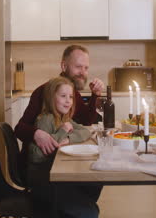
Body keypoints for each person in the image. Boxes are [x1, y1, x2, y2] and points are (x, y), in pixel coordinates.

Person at [15, 45, 103, 171]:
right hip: (39, 166)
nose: (83, 72)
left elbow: (86, 122)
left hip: (55, 157)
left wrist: (95, 95)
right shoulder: (43, 92)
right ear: (64, 66)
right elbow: (19, 129)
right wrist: (36, 133)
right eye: (78, 67)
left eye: (86, 68)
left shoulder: (72, 93)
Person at [28, 76, 98, 218]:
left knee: (93, 188)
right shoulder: (45, 119)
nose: (68, 101)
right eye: (63, 96)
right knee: (89, 211)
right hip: (43, 180)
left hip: (54, 176)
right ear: (51, 98)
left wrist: (68, 138)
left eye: (71, 97)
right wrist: (63, 132)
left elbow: (85, 131)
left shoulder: (63, 117)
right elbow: (36, 155)